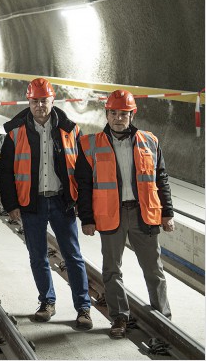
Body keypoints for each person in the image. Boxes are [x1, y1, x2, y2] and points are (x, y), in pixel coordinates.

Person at [75, 90, 174, 338]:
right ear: (106, 114)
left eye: (123, 113)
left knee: (154, 269)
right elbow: (84, 185)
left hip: (144, 214)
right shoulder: (90, 144)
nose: (118, 118)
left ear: (132, 114)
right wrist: (86, 218)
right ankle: (119, 317)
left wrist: (168, 212)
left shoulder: (149, 141)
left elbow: (161, 178)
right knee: (111, 270)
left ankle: (163, 317)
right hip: (111, 214)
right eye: (113, 113)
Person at [0, 78, 93, 330]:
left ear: (53, 100)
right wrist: (11, 204)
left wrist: (79, 204)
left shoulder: (70, 129)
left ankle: (83, 307)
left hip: (62, 201)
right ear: (28, 102)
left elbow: (82, 170)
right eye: (35, 101)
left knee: (73, 256)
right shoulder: (14, 131)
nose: (40, 105)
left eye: (44, 100)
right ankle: (47, 302)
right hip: (32, 202)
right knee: (37, 256)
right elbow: (5, 171)